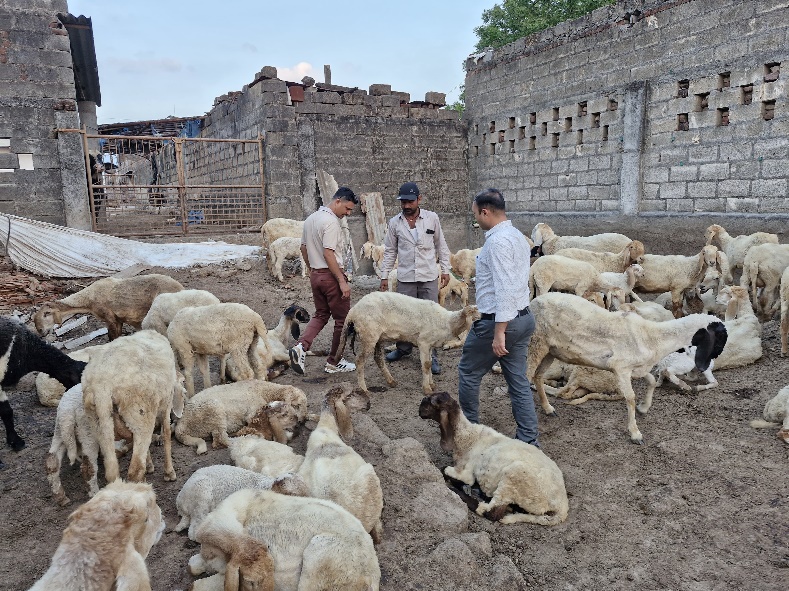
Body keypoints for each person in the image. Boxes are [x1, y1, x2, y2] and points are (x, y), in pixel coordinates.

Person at [457, 188, 539, 446]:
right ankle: (528, 440)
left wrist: (499, 331)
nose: (475, 221)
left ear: (485, 211)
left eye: (475, 215)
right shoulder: (516, 236)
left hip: (500, 321)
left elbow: (504, 287)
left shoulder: (497, 242)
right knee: (518, 381)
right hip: (524, 317)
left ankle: (467, 434)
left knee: (468, 372)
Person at [379, 182, 451, 375]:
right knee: (404, 315)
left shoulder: (431, 218)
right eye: (403, 202)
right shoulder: (395, 222)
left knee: (432, 316)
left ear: (419, 199)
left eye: (410, 201)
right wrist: (384, 275)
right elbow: (390, 251)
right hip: (406, 277)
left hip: (428, 275)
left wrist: (446, 270)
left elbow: (441, 246)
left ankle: (432, 355)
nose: (406, 206)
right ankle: (403, 348)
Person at [289, 187, 359, 375]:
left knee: (321, 314)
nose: (348, 213)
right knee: (342, 320)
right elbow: (329, 253)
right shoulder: (331, 222)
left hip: (316, 275)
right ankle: (334, 362)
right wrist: (341, 281)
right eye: (347, 208)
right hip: (331, 276)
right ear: (337, 201)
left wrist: (312, 269)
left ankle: (300, 347)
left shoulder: (311, 219)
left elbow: (303, 247)